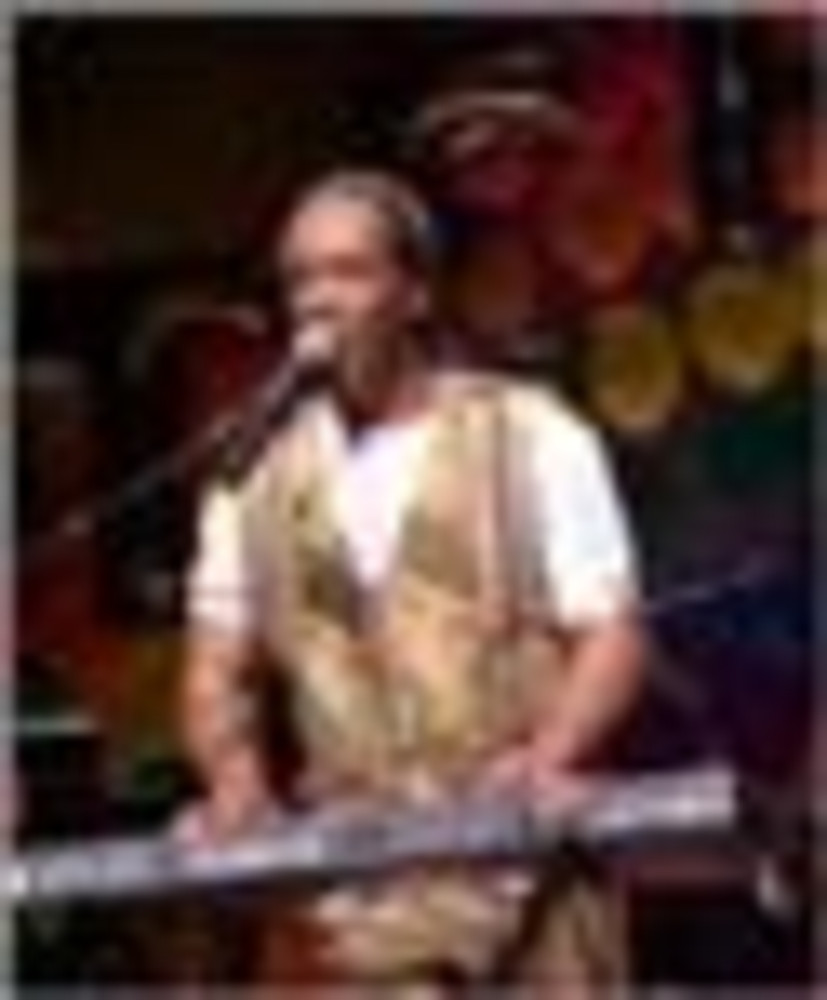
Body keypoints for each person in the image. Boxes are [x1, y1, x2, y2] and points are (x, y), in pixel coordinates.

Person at [173, 168, 647, 996]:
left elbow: (612, 633)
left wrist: (553, 753)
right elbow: (216, 666)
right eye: (299, 279)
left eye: (348, 272)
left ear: (416, 293)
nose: (317, 301)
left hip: (524, 870)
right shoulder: (250, 478)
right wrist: (233, 777)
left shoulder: (528, 434)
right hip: (354, 899)